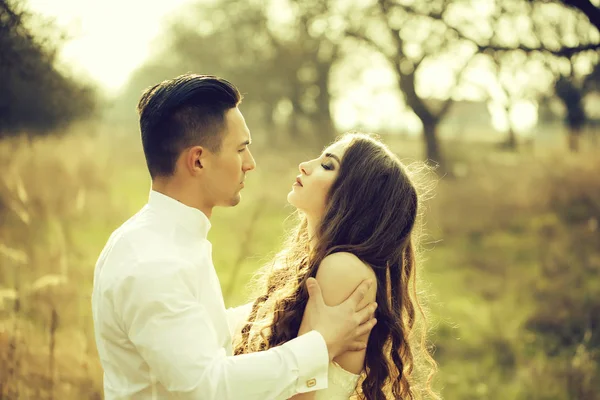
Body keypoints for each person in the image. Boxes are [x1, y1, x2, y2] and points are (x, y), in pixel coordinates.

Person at [91, 74, 378, 400]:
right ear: (198, 160)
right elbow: (208, 387)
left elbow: (195, 329)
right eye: (241, 149)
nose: (250, 164)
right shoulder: (153, 260)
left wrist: (283, 303)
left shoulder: (167, 241)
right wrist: (322, 342)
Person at [233, 132, 439, 399]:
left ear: (356, 195)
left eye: (327, 165)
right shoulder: (314, 262)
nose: (305, 165)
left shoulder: (342, 268)